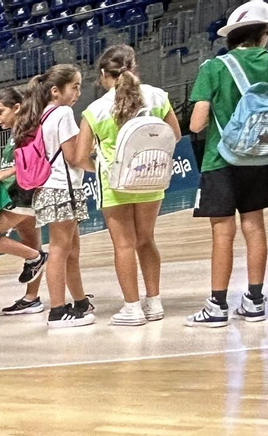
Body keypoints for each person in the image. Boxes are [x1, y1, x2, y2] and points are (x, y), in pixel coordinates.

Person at [183, 0, 268, 327]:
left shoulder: (214, 67)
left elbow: (196, 124)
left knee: (222, 231)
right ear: (265, 32)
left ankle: (217, 306)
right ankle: (255, 301)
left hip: (221, 158)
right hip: (259, 156)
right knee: (254, 225)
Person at [77, 45, 182, 325]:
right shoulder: (158, 96)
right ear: (134, 67)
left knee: (124, 246)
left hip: (115, 184)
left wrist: (100, 167)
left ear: (103, 73)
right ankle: (154, 302)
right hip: (151, 178)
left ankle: (132, 309)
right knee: (146, 239)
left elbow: (78, 156)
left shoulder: (95, 110)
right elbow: (175, 135)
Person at [18, 65, 95, 329]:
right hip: (63, 188)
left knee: (70, 250)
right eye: (74, 87)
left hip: (48, 188)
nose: (78, 93)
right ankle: (58, 311)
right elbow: (74, 157)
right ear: (55, 90)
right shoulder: (63, 113)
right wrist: (100, 164)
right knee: (60, 251)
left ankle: (80, 302)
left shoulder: (42, 114)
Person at [0, 86, 50, 316]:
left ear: (16, 107)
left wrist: (9, 171)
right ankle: (31, 298)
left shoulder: (31, 129)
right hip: (20, 195)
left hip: (24, 196)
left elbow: (37, 159)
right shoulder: (17, 132)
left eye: (0, 112)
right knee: (32, 245)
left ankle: (36, 258)